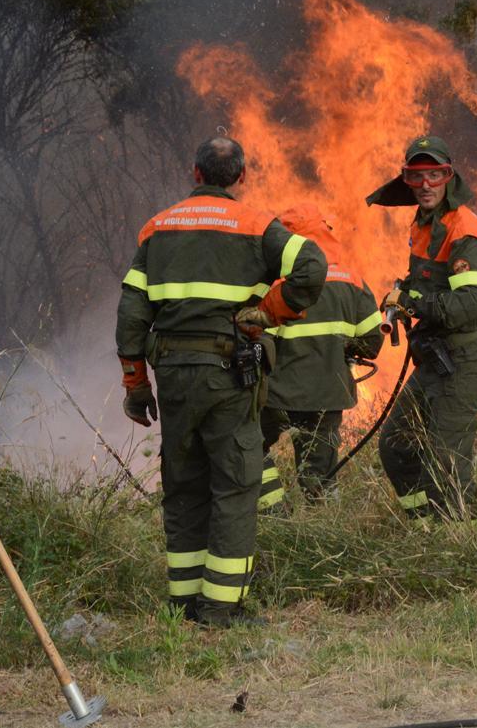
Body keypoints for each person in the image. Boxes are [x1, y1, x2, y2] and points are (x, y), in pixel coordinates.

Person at [115, 136, 326, 626]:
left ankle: (183, 605)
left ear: (195, 173)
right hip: (229, 374)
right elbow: (312, 267)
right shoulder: (255, 225)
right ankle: (220, 611)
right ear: (241, 177)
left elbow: (130, 314)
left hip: (172, 376)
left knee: (184, 485)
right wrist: (266, 313)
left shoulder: (157, 229)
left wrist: (135, 384)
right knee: (234, 485)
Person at [367, 135, 477, 523]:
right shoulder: (425, 222)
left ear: (449, 177)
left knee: (445, 456)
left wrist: (415, 305)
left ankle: (458, 539)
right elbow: (424, 281)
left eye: (435, 174)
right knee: (396, 446)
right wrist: (401, 294)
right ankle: (425, 524)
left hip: (465, 358)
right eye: (416, 175)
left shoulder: (464, 229)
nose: (425, 184)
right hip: (434, 358)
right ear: (406, 179)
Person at [258, 203, 385, 506]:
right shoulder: (352, 281)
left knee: (248, 448)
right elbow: (372, 340)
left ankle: (274, 515)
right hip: (328, 397)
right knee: (320, 475)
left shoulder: (278, 283)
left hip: (277, 396)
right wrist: (346, 352)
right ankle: (326, 528)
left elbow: (259, 340)